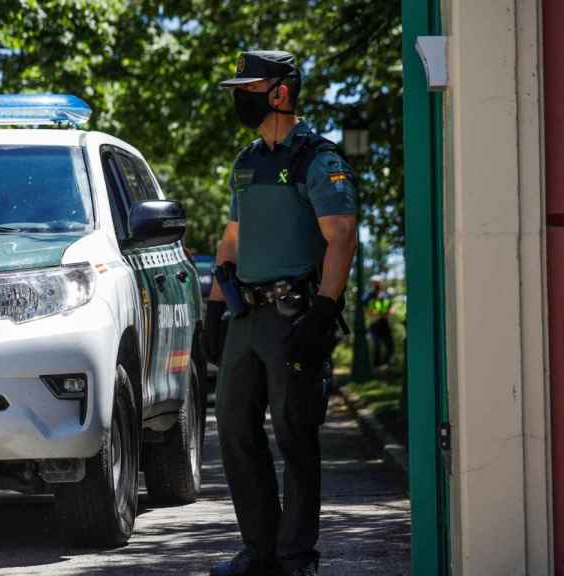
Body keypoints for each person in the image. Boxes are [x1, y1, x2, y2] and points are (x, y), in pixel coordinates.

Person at [203, 50, 358, 576]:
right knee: (235, 433)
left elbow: (341, 239)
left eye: (249, 88)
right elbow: (231, 239)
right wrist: (214, 313)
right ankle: (260, 552)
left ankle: (296, 558)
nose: (238, 97)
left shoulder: (320, 160)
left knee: (296, 437)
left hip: (294, 319)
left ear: (281, 92)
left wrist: (322, 312)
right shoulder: (246, 162)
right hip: (246, 319)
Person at [364, 277, 395, 367]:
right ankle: (376, 366)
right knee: (376, 345)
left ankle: (386, 364)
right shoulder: (368, 295)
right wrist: (371, 313)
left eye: (378, 282)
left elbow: (392, 305)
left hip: (384, 323)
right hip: (374, 324)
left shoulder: (386, 295)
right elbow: (365, 307)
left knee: (390, 346)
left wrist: (390, 311)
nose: (376, 284)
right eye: (374, 283)